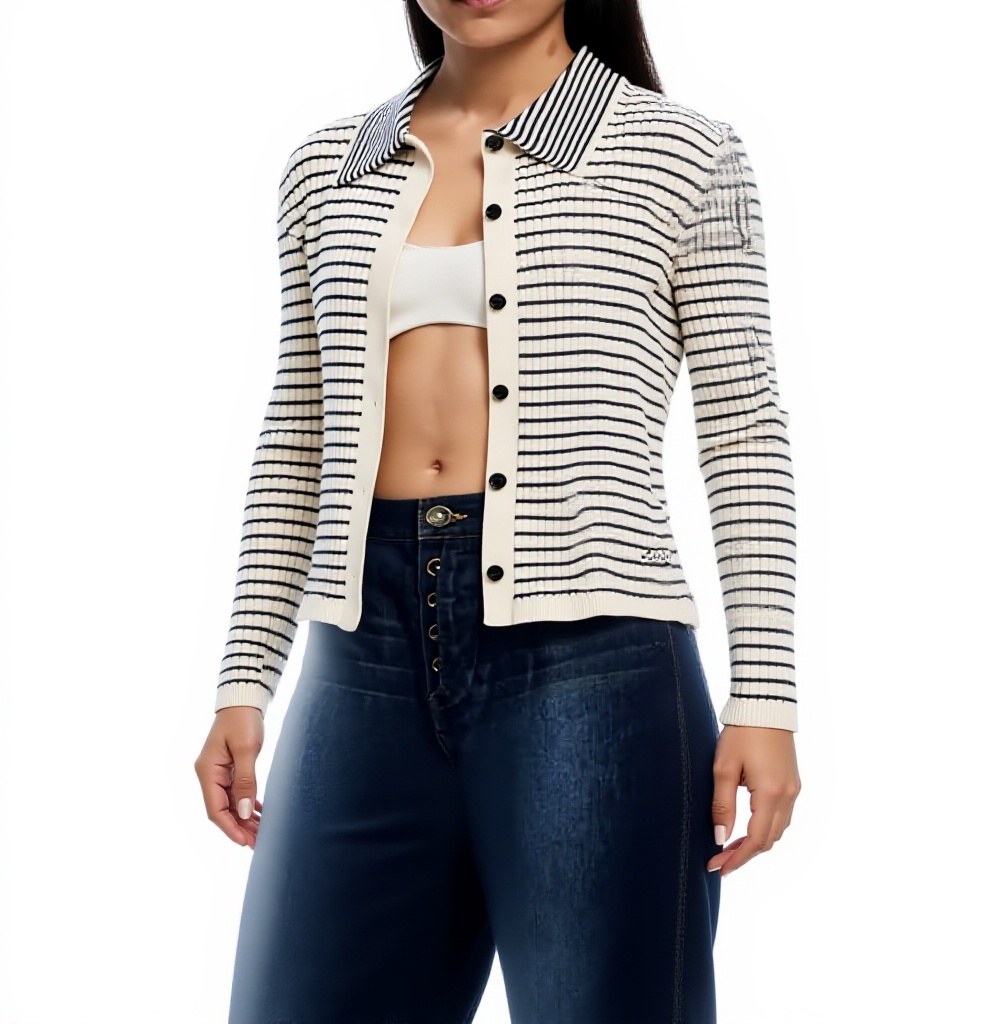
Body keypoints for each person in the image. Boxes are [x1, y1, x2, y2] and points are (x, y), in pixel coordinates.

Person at [194, 1, 802, 1020]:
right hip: (359, 665)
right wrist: (244, 679)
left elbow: (743, 429)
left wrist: (765, 700)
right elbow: (299, 433)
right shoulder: (327, 167)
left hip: (593, 664)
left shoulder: (682, 153)